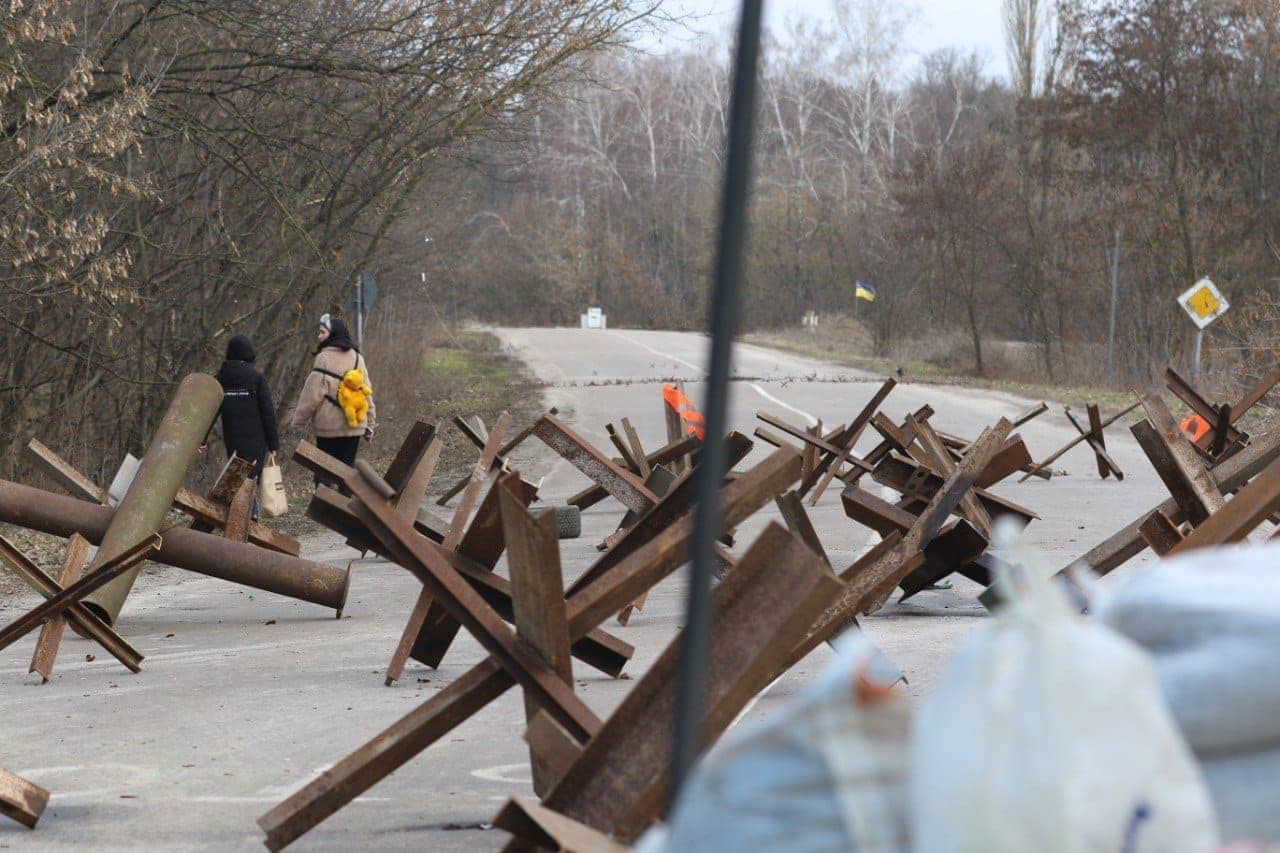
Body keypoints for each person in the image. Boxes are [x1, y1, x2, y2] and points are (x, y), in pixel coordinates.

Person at [289, 314, 375, 481]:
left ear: (333, 334)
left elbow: (311, 396)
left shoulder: (323, 358)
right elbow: (366, 392)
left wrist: (298, 422)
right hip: (354, 426)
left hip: (327, 427)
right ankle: (344, 498)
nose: (319, 336)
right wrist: (370, 424)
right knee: (347, 473)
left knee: (324, 472)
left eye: (322, 332)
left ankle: (323, 497)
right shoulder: (358, 358)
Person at [211, 334, 280, 479]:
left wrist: (202, 439)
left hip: (232, 438)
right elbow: (267, 413)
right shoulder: (256, 378)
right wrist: (273, 444)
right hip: (255, 439)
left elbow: (211, 411)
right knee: (245, 480)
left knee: (238, 476)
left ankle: (232, 493)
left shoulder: (220, 378)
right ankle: (231, 494)